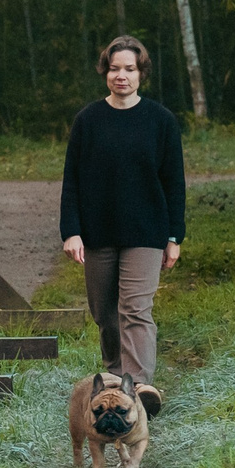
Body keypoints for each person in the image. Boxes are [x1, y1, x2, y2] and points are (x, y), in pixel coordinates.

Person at [58, 35, 185, 418]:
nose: (121, 76)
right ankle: (115, 377)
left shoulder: (161, 121)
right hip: (98, 231)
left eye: (129, 69)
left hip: (146, 231)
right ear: (105, 72)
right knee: (105, 312)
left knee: (136, 308)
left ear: (141, 73)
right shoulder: (88, 120)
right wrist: (71, 230)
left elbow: (174, 182)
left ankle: (140, 386)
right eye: (115, 69)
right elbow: (72, 179)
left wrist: (174, 236)